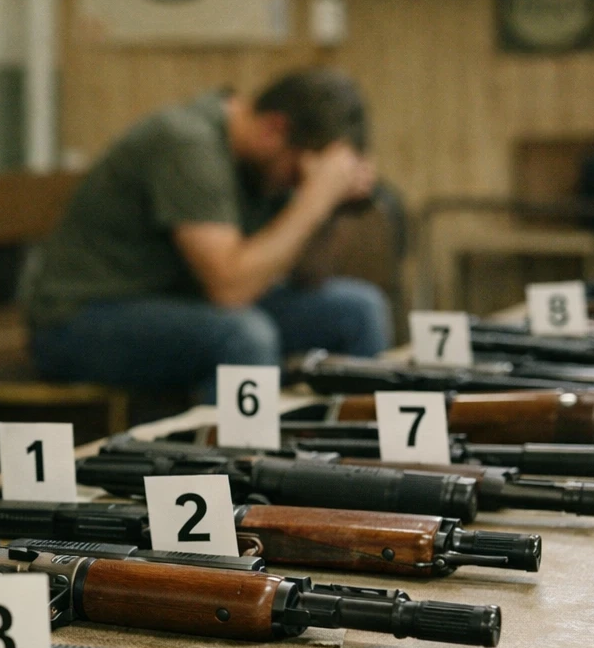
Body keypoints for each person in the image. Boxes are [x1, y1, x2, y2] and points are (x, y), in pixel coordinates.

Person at [25, 70, 393, 401]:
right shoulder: (187, 142)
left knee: (358, 310)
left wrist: (334, 207)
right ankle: (237, 472)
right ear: (273, 129)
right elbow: (230, 289)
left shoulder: (271, 159)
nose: (298, 185)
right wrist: (315, 197)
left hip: (185, 304)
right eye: (298, 174)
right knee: (243, 336)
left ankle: (351, 464)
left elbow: (309, 276)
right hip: (80, 319)